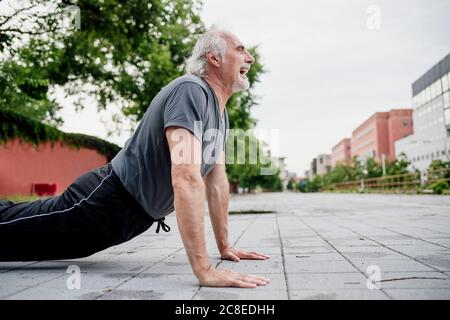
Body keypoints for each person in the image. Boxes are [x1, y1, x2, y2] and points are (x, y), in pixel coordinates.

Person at [0, 29, 270, 288]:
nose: (250, 57)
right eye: (241, 49)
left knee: (27, 243)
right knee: (17, 227)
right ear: (214, 58)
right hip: (105, 199)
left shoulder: (221, 117)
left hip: (130, 219)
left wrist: (225, 247)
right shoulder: (191, 90)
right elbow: (186, 177)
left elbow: (217, 183)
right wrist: (204, 271)